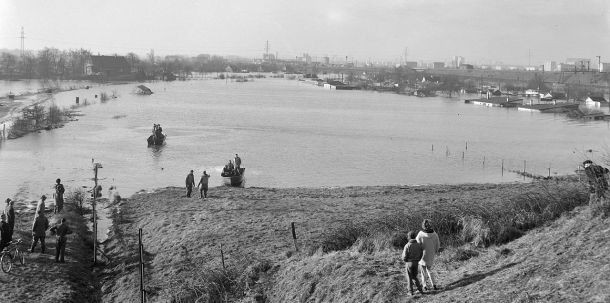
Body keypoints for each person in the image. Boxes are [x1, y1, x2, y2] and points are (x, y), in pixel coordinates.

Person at [416, 219, 441, 291]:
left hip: (422, 255)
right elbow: (438, 244)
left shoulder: (420, 234)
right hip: (431, 254)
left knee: (423, 271)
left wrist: (417, 253)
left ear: (423, 225)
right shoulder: (435, 234)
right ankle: (434, 284)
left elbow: (417, 245)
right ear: (430, 225)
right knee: (429, 269)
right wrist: (435, 251)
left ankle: (425, 286)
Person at [402, 231, 425, 296]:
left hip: (409, 263)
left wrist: (406, 260)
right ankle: (420, 289)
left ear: (409, 237)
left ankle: (410, 291)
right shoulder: (418, 245)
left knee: (409, 277)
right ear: (415, 236)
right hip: (416, 263)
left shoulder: (407, 245)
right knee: (415, 277)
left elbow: (404, 256)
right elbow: (421, 253)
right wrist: (418, 259)